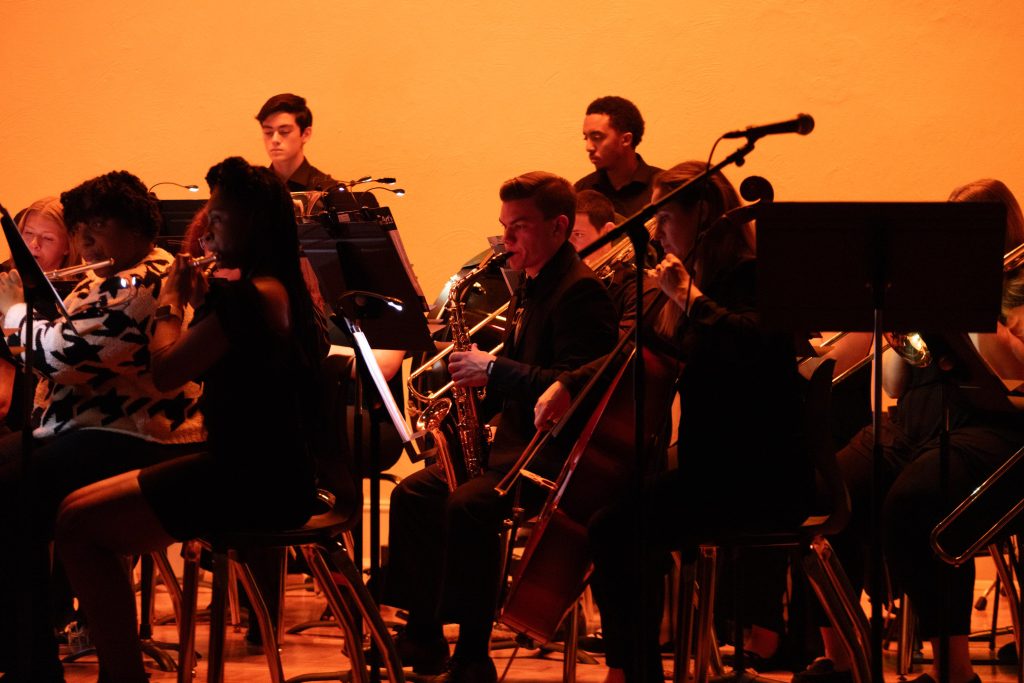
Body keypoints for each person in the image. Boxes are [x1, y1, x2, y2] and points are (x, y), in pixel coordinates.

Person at [536, 161, 813, 683]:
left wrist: (688, 298)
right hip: (713, 470)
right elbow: (634, 350)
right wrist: (570, 382)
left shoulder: (752, 275)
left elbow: (758, 345)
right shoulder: (694, 282)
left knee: (617, 527)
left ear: (702, 213)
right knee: (618, 519)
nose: (658, 230)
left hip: (761, 475)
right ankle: (634, 668)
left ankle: (632, 672)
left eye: (665, 217)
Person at [53, 156, 327, 682]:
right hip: (244, 463)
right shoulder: (268, 286)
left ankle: (121, 673)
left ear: (253, 223)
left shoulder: (255, 296)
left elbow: (165, 372)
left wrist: (169, 303)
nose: (210, 232)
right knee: (74, 510)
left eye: (219, 220)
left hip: (254, 479)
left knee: (77, 527)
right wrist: (203, 302)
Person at [383, 171, 617, 683]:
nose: (506, 240)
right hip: (510, 447)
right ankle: (423, 635)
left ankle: (473, 652)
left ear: (559, 227)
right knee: (413, 494)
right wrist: (474, 405)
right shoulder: (532, 285)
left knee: (469, 506)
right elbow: (519, 375)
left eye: (520, 227)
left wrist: (491, 370)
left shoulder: (581, 292)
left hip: (548, 457)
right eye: (504, 226)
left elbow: (580, 385)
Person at [791, 179, 1024, 683]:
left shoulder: (1018, 278)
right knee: (822, 493)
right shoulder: (938, 279)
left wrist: (974, 306)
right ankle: (844, 658)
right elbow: (896, 380)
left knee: (915, 502)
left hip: (992, 425)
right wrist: (896, 322)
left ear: (999, 229)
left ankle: (953, 672)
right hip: (914, 420)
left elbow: (1014, 371)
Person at [0, 171, 206, 681]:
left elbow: (65, 354)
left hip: (137, 437)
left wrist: (12, 311)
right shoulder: (105, 278)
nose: (86, 242)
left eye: (97, 229)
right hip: (86, 430)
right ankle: (26, 654)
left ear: (135, 229)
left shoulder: (148, 281)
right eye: (81, 230)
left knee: (11, 491)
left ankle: (31, 662)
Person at [575, 96, 663, 218]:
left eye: (596, 137)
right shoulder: (581, 190)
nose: (588, 147)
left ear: (626, 139)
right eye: (586, 138)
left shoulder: (664, 188)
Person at [257, 93, 338, 191]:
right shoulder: (253, 188)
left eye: (284, 131)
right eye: (268, 132)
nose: (275, 139)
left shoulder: (328, 190)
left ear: (305, 134)